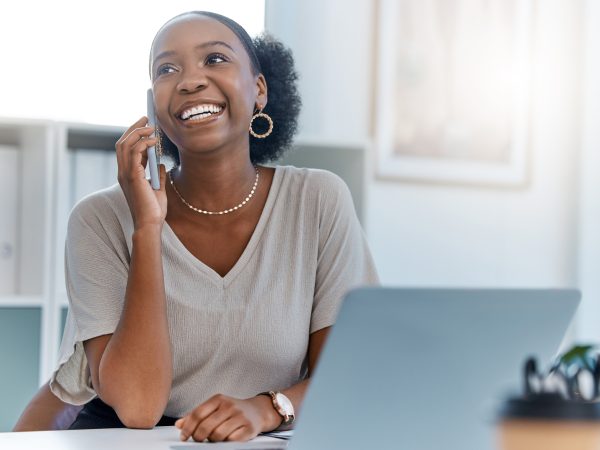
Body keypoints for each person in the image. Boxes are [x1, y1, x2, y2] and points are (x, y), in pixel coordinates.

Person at [13, 11, 378, 442]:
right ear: (154, 105)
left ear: (258, 90)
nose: (189, 81)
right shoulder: (99, 219)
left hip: (268, 433)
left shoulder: (318, 200)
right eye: (167, 69)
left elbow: (345, 379)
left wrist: (267, 409)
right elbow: (137, 407)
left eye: (215, 59)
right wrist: (148, 228)